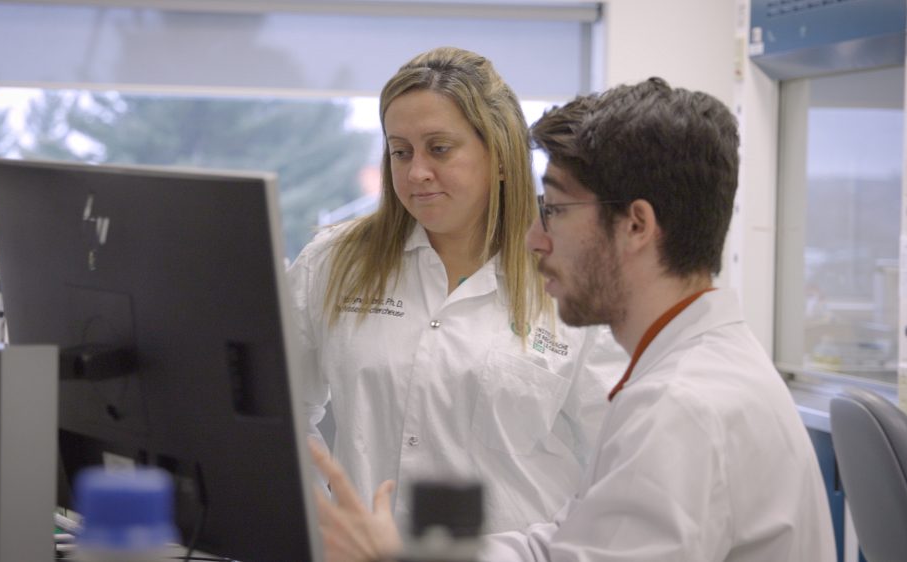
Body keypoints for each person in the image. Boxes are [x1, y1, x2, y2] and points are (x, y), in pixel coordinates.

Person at [310, 77, 838, 562]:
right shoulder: (692, 371)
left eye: (556, 210)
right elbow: (566, 542)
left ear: (636, 226)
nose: (536, 241)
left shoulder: (681, 407)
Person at [287, 46, 627, 535]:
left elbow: (617, 461)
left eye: (439, 149)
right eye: (400, 151)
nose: (416, 172)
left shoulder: (572, 278)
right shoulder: (333, 262)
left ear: (502, 156)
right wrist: (323, 524)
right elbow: (280, 418)